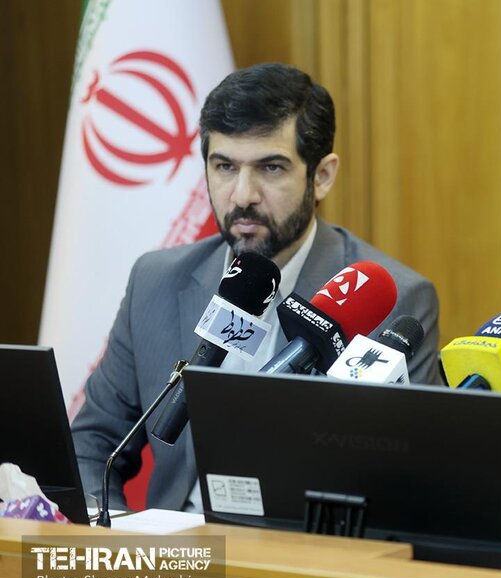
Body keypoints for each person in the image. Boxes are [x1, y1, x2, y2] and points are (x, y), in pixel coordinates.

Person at [72, 63, 441, 512]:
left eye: (270, 168)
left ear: (321, 175)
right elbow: (91, 442)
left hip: (303, 560)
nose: (242, 195)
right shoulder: (156, 281)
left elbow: (399, 480)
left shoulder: (394, 299)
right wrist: (108, 536)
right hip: (174, 558)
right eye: (224, 166)